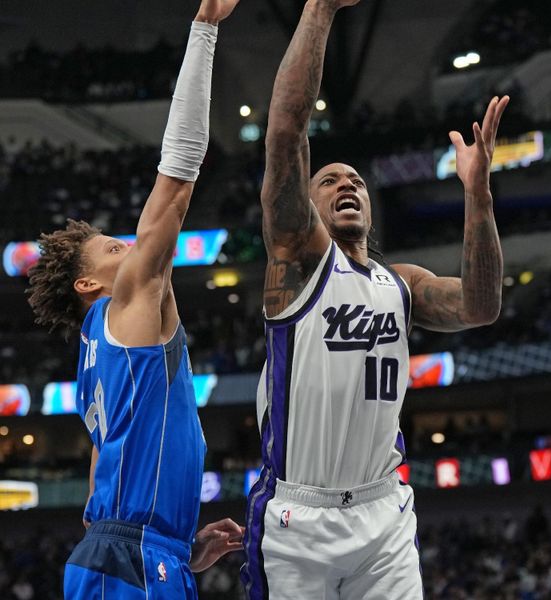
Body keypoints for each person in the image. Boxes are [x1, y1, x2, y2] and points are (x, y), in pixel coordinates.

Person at [240, 1, 506, 598]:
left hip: (383, 512)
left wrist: (479, 199)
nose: (348, 185)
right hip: (298, 517)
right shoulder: (300, 261)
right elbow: (285, 133)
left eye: (356, 180)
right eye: (330, 180)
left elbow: (481, 306)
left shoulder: (401, 284)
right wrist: (320, 10)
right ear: (306, 205)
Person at [26, 1, 243, 597]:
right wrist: (205, 31)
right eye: (113, 250)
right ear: (88, 285)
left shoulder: (97, 360)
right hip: (131, 560)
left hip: (132, 552)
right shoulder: (124, 306)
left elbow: (104, 492)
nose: (130, 250)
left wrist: (178, 545)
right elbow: (175, 184)